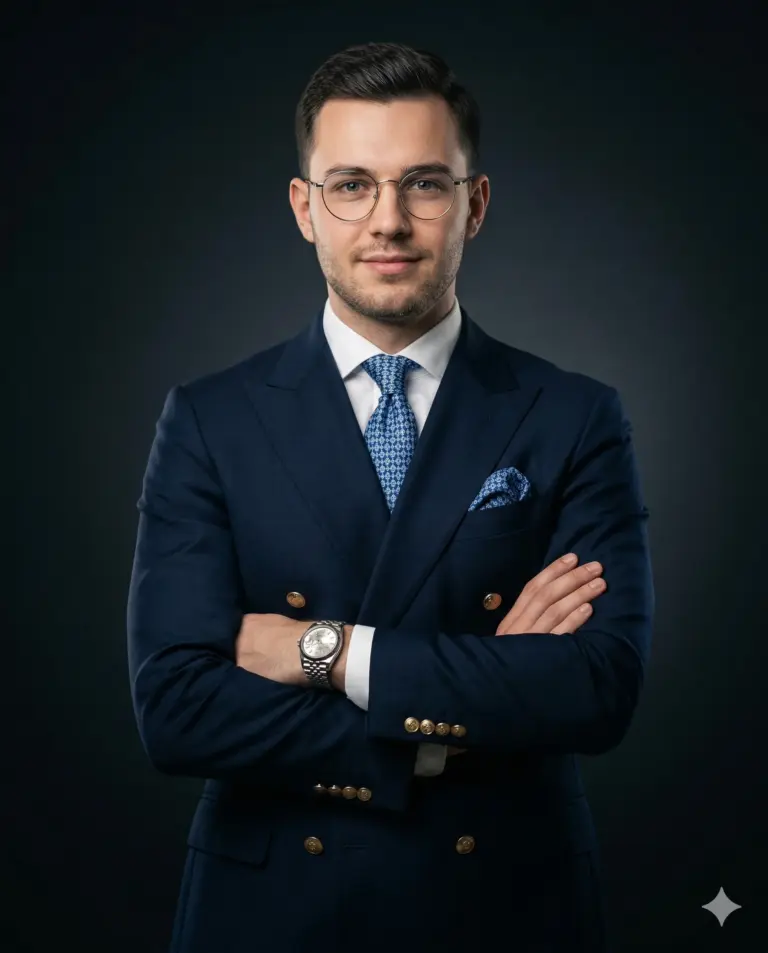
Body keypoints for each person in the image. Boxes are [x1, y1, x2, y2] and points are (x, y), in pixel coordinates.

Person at [127, 41, 654, 953]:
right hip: (270, 910)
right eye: (351, 184)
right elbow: (176, 709)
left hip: (505, 905)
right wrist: (458, 722)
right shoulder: (209, 419)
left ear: (473, 204)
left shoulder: (574, 414)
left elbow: (595, 688)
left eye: (424, 183)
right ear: (305, 208)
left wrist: (325, 650)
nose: (389, 221)